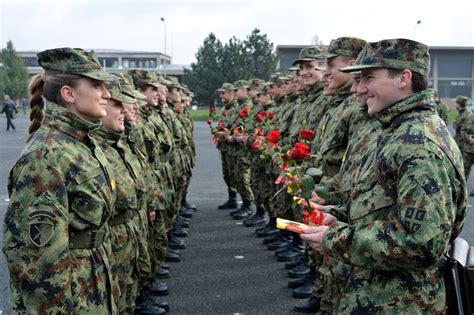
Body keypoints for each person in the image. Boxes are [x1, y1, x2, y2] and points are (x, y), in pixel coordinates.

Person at [301, 38, 467, 313]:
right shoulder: (397, 130)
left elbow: (421, 242)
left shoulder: (418, 144)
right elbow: (387, 206)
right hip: (380, 294)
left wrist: (336, 238)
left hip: (399, 302)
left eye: (369, 77)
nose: (359, 88)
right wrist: (341, 216)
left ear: (403, 78)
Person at [3, 48, 118, 313]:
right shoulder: (45, 157)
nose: (107, 94)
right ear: (68, 94)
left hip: (91, 284)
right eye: (97, 85)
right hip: (69, 298)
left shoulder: (81, 144)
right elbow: (38, 265)